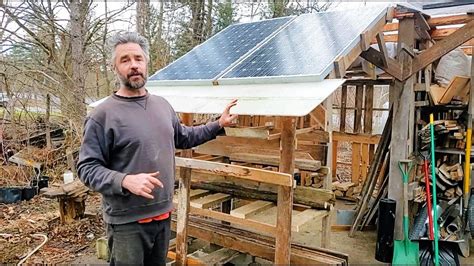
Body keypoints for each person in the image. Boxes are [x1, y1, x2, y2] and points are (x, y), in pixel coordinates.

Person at [77, 31, 238, 266]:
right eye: (125, 60)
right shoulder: (103, 115)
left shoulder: (162, 106)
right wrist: (124, 180)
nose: (133, 65)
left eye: (138, 59)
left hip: (163, 215)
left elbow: (184, 137)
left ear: (146, 63)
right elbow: (87, 168)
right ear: (114, 67)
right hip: (127, 223)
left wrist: (218, 124)